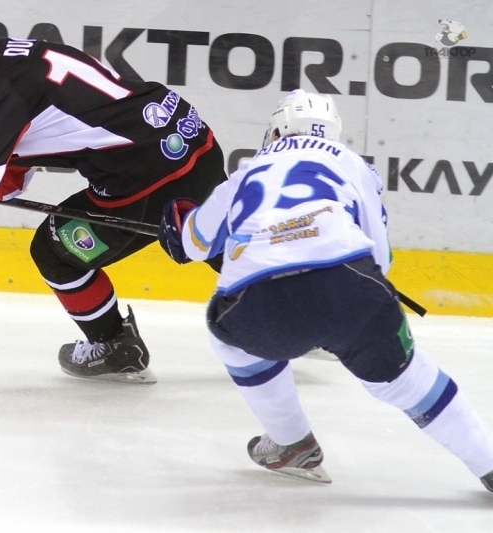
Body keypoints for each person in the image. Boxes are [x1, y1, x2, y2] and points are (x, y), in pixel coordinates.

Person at [156, 89, 493, 489]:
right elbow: (380, 255)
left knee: (230, 338)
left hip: (258, 301)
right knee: (406, 379)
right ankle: (487, 462)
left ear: (277, 129)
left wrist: (179, 221)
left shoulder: (249, 169)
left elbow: (195, 243)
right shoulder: (352, 163)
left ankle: (290, 441)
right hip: (351, 285)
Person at [0, 16, 227, 384]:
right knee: (216, 238)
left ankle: (114, 346)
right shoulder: (15, 61)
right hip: (194, 144)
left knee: (55, 252)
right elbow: (6, 174)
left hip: (147, 177)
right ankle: (274, 310)